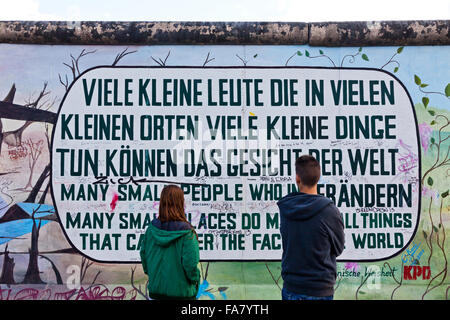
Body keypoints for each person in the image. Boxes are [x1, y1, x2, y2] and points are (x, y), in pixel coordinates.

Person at [277, 155, 345, 300]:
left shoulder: (286, 208)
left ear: (297, 178)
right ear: (318, 178)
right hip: (320, 289)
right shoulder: (329, 211)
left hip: (292, 288)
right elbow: (339, 248)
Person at [140, 184, 200, 300]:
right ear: (181, 203)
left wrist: (153, 275)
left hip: (156, 293)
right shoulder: (187, 234)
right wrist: (195, 279)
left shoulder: (151, 230)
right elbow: (190, 264)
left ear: (162, 203)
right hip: (182, 294)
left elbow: (144, 256)